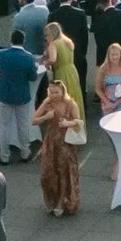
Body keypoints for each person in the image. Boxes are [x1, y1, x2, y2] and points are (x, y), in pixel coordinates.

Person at [33, 80, 82, 217]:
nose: (54, 95)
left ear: (63, 91)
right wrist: (46, 116)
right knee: (48, 172)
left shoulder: (70, 104)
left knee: (63, 173)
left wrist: (68, 123)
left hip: (66, 142)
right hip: (50, 141)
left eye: (56, 92)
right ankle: (51, 200)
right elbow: (33, 120)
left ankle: (61, 202)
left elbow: (78, 121)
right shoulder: (47, 103)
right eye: (51, 92)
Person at [0, 29, 39, 165]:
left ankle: (4, 156)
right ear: (23, 41)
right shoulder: (28, 57)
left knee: (4, 125)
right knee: (23, 125)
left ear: (11, 40)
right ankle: (25, 153)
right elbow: (33, 77)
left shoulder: (1, 54)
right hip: (22, 96)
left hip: (4, 94)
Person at [50, 0, 91, 104]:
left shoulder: (53, 15)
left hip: (59, 56)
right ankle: (81, 105)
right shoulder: (80, 14)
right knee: (80, 82)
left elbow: (50, 39)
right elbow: (85, 36)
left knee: (60, 83)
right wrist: (83, 52)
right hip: (77, 54)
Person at [43, 21, 84, 121]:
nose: (46, 37)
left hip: (62, 72)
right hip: (72, 71)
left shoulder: (54, 44)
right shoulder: (67, 41)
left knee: (63, 99)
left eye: (47, 35)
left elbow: (53, 59)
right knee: (74, 96)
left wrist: (45, 62)